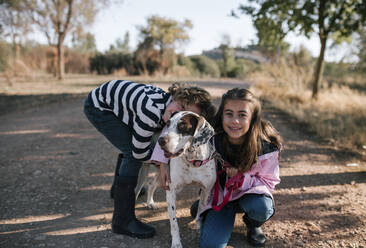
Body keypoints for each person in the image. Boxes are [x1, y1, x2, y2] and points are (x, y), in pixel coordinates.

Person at [83, 80, 215, 239]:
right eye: (181, 108)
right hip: (99, 107)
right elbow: (139, 152)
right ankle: (122, 221)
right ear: (176, 97)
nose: (178, 115)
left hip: (116, 104)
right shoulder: (151, 111)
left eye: (185, 113)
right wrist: (161, 165)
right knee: (131, 152)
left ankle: (118, 191)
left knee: (137, 141)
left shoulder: (167, 108)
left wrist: (163, 160)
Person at [198, 88, 282, 247]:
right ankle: (206, 208)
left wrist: (241, 178)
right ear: (222, 115)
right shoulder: (211, 138)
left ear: (253, 118)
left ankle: (253, 224)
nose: (234, 121)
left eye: (242, 115)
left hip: (249, 195)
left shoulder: (266, 146)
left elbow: (269, 182)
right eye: (229, 114)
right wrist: (162, 166)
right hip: (221, 197)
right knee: (210, 246)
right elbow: (179, 138)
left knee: (261, 207)